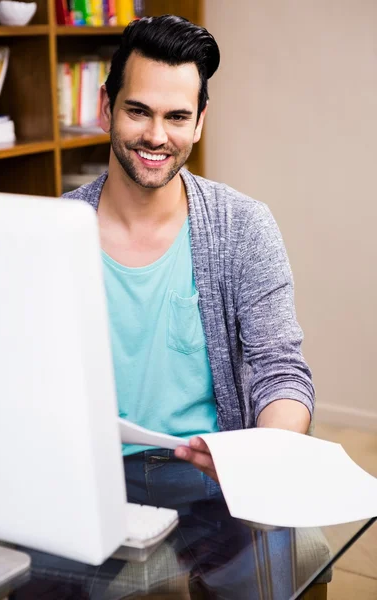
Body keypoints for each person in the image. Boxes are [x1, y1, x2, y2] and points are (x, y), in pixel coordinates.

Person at [63, 14, 314, 502]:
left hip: (210, 473)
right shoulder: (52, 230)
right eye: (138, 111)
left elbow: (279, 369)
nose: (156, 136)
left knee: (283, 567)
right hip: (84, 474)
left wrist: (262, 456)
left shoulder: (243, 226)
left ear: (199, 121)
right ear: (105, 107)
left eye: (176, 117)